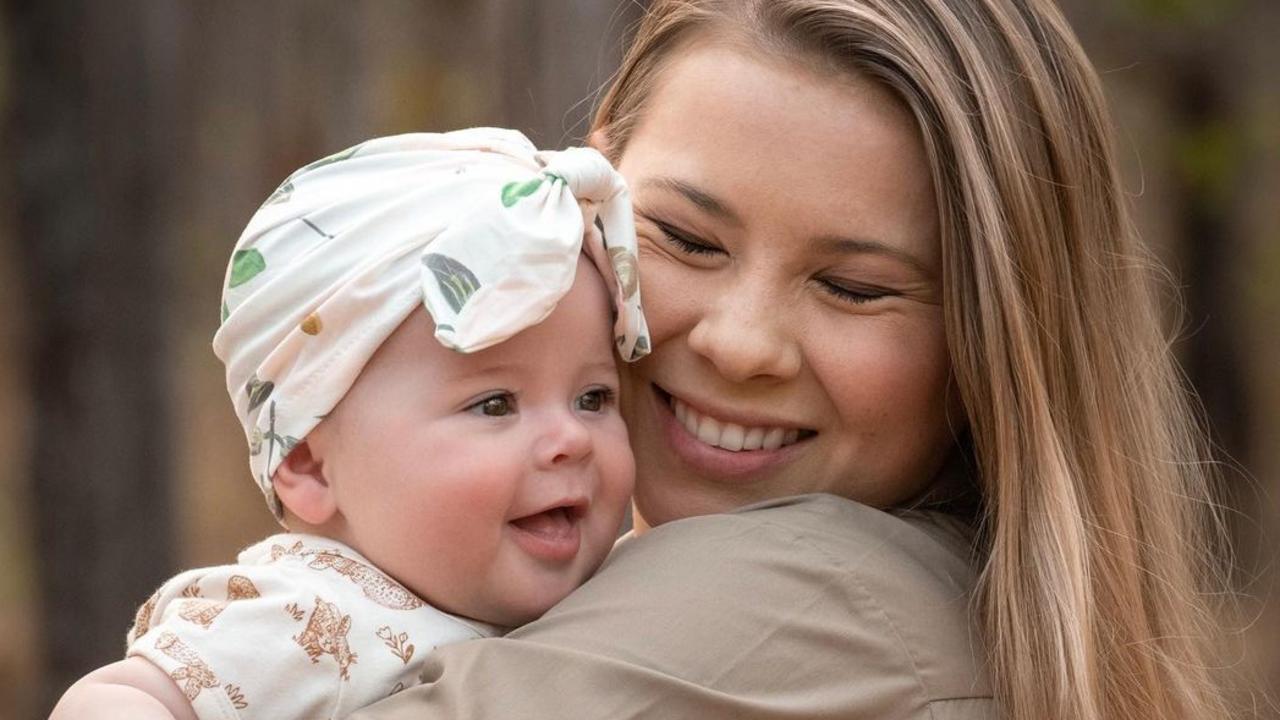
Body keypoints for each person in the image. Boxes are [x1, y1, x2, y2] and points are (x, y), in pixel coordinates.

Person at [349, 1, 1238, 719]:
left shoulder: (799, 596)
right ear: (588, 184)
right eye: (686, 239)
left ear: (994, 340)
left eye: (854, 288)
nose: (740, 344)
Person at [47, 128, 651, 720]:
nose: (571, 439)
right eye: (495, 404)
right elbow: (115, 700)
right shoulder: (311, 612)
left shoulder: (615, 591)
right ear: (308, 463)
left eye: (593, 398)